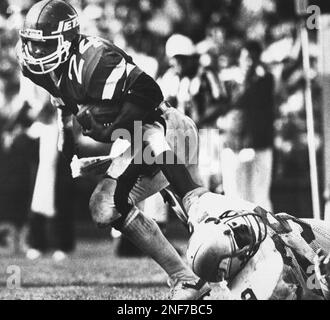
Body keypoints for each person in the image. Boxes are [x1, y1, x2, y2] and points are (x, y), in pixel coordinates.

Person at [17, 0, 210, 300]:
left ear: (67, 40)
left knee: (193, 207)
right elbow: (63, 106)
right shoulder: (42, 70)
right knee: (104, 207)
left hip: (165, 131)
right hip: (139, 138)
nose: (36, 53)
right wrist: (69, 148)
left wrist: (108, 130)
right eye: (33, 45)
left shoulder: (96, 58)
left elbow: (149, 93)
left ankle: (229, 248)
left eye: (45, 46)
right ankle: (188, 277)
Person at [183, 191, 330, 300]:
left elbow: (189, 191)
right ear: (227, 265)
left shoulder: (210, 216)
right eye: (239, 237)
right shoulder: (265, 282)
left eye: (232, 226)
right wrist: (325, 282)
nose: (241, 226)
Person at [218, 40, 275, 211]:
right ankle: (237, 234)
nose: (249, 62)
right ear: (240, 59)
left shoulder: (266, 79)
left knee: (260, 197)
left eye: (253, 58)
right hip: (233, 143)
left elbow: (249, 96)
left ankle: (268, 236)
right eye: (246, 57)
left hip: (259, 145)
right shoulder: (228, 80)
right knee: (233, 196)